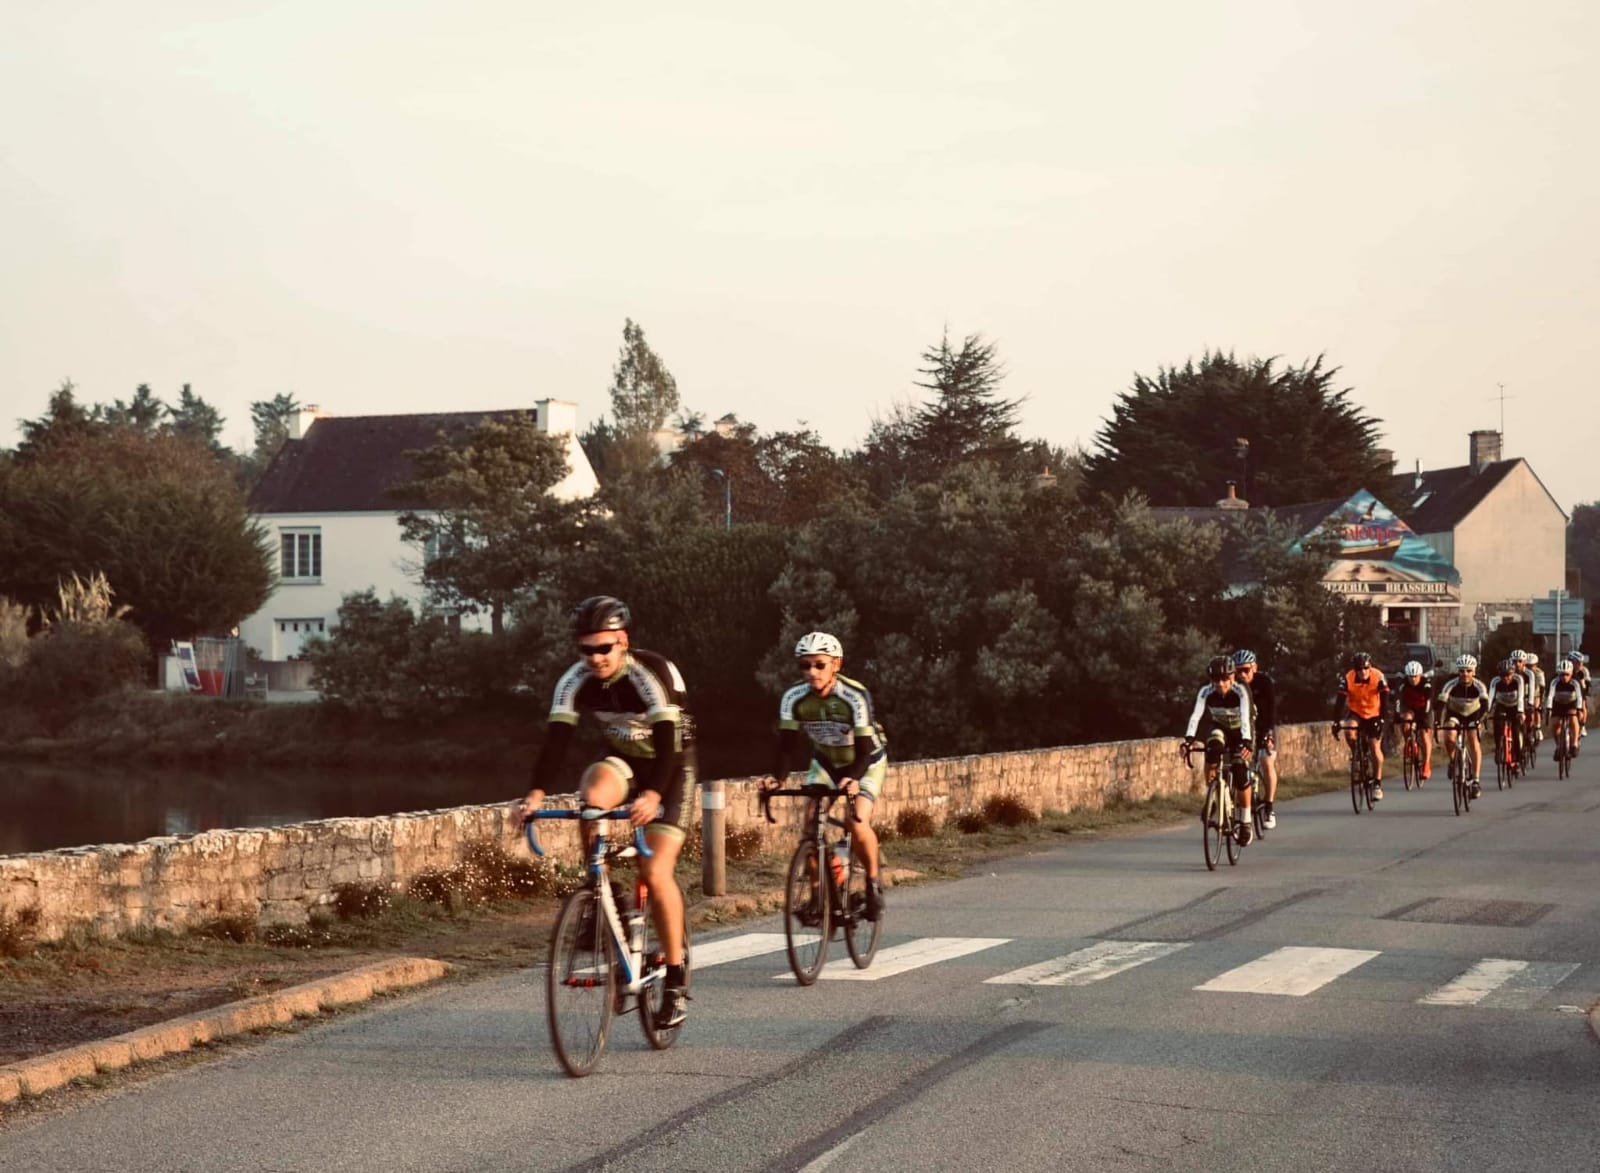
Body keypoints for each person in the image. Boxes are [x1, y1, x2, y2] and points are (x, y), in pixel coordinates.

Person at [515, 596, 694, 1028]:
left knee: (655, 871)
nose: (595, 658)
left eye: (604, 648)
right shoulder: (574, 680)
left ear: (622, 641)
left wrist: (653, 794)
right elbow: (556, 740)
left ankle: (675, 980)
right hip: (624, 761)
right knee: (591, 798)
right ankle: (603, 894)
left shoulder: (649, 674)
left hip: (671, 766)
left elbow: (669, 745)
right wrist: (535, 793)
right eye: (586, 649)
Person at [760, 632, 889, 920]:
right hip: (827, 762)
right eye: (804, 666)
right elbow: (787, 745)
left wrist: (854, 779)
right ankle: (818, 896)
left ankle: (873, 884)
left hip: (865, 762)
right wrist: (778, 778)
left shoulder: (854, 695)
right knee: (810, 825)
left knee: (856, 821)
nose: (812, 672)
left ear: (836, 665)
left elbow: (864, 751)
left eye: (820, 664)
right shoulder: (793, 697)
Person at [1182, 655, 1256, 844]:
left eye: (1225, 679)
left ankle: (1246, 821)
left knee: (1240, 771)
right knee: (1212, 751)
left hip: (1241, 731)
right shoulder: (1206, 691)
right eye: (1216, 680)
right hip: (1220, 728)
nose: (1221, 684)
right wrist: (1188, 740)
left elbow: (1246, 718)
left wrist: (1247, 742)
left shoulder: (1241, 690)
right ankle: (1213, 797)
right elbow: (1196, 716)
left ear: (1232, 677)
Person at [1334, 652, 1390, 800]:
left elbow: (1385, 700)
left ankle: (1377, 784)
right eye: (1359, 669)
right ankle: (1357, 755)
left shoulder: (1378, 676)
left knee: (1374, 746)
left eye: (1365, 668)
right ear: (1355, 669)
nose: (1363, 672)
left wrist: (1382, 719)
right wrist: (1336, 721)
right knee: (1349, 730)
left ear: (1370, 667)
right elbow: (1339, 702)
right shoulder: (1348, 678)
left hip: (1374, 714)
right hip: (1357, 712)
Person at [1232, 649, 1278, 828]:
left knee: (1267, 762)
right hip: (1243, 730)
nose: (1242, 675)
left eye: (1246, 670)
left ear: (1254, 668)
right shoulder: (1232, 685)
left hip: (1264, 727)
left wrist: (1268, 734)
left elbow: (1271, 711)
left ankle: (1269, 807)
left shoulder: (1264, 682)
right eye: (1238, 671)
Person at [1437, 654, 1491, 797]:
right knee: (1449, 737)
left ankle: (1476, 781)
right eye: (1461, 671)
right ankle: (1453, 761)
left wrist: (1479, 720)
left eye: (1468, 670)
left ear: (1474, 671)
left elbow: (1485, 706)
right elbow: (1441, 704)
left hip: (1474, 714)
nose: (1465, 674)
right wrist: (1437, 721)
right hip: (1455, 713)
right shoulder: (1450, 684)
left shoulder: (1479, 685)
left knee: (1473, 740)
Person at [1393, 659, 1435, 782]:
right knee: (1405, 721)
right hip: (1410, 708)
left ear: (1420, 675)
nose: (1413, 679)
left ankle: (1426, 764)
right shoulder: (1403, 683)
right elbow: (1397, 699)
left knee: (1424, 734)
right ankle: (1410, 743)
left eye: (1416, 676)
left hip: (1424, 709)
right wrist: (1397, 714)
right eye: (1410, 677)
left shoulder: (1426, 683)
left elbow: (1429, 701)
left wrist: (1425, 718)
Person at [1488, 657, 1527, 774]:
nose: (1506, 678)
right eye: (1503, 676)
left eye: (1508, 675)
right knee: (1498, 726)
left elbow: (1520, 697)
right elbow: (1490, 697)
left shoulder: (1518, 680)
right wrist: (1487, 712)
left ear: (1513, 673)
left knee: (1516, 730)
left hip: (1515, 706)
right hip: (1502, 705)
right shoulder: (1495, 681)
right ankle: (1498, 748)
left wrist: (1521, 712)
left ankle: (1517, 759)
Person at [1547, 657, 1586, 761]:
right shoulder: (1554, 681)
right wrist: (1549, 709)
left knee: (1573, 719)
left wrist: (1579, 710)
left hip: (1571, 703)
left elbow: (1579, 697)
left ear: (1571, 673)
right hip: (1558, 703)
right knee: (1555, 724)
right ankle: (1558, 746)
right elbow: (1550, 696)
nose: (1564, 677)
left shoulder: (1575, 681)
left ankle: (1574, 744)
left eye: (1567, 675)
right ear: (1558, 674)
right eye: (1562, 675)